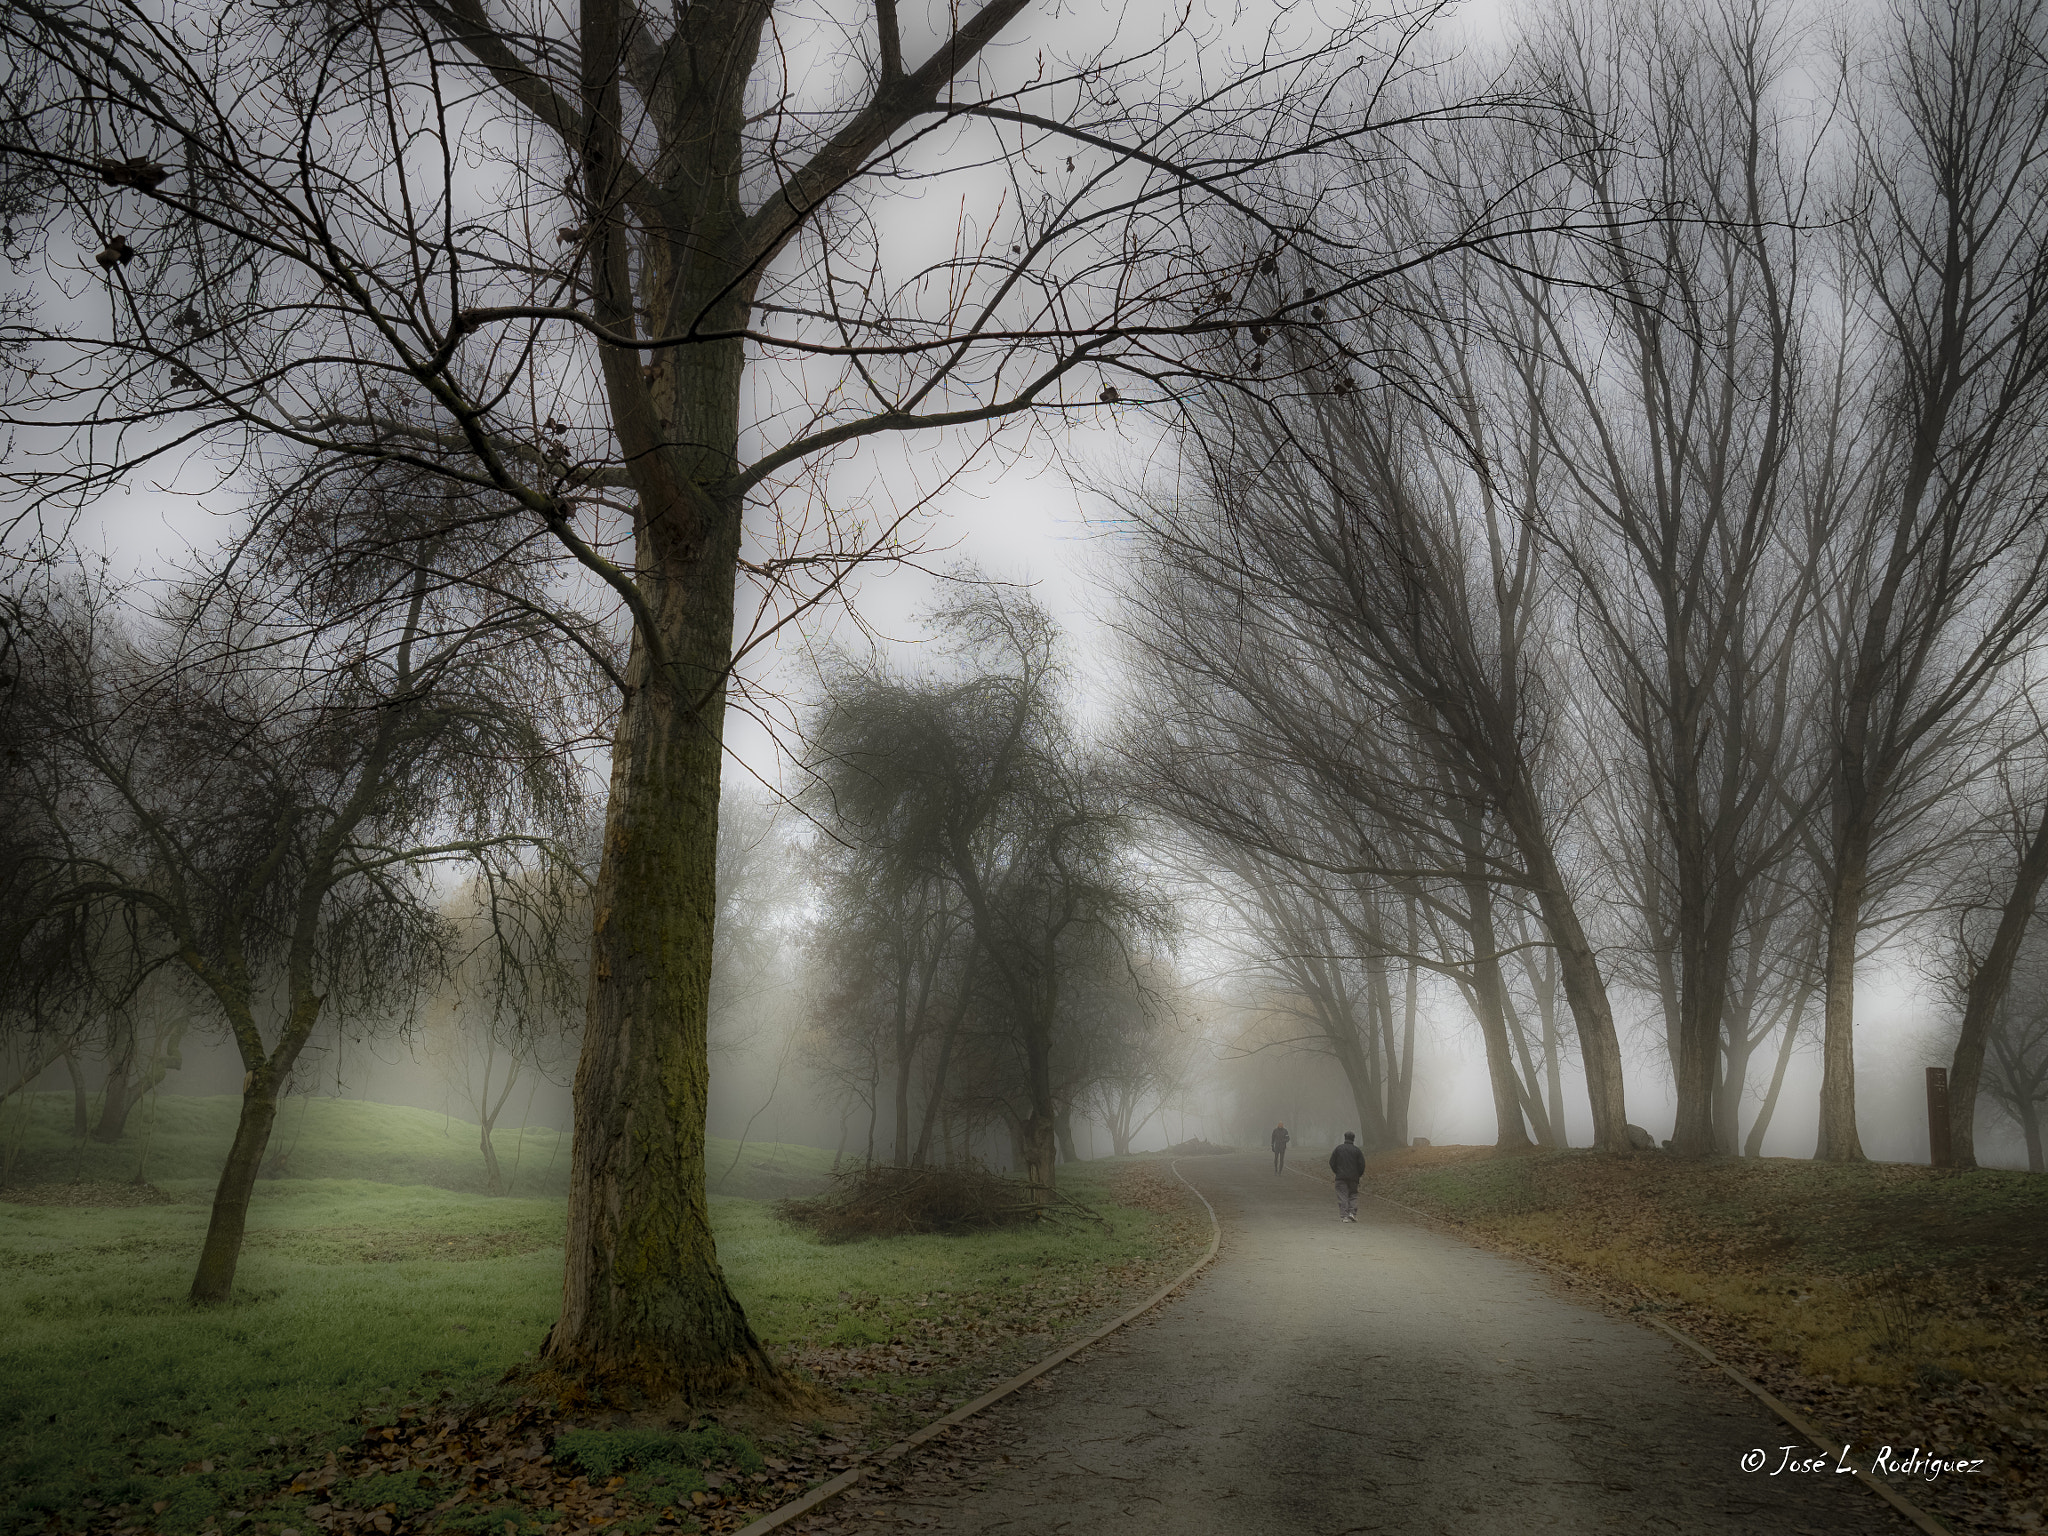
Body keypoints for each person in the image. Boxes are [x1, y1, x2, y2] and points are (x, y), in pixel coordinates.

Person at [1329, 1131, 1366, 1222]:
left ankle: (1344, 1216)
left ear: (1345, 1138)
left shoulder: (1338, 1149)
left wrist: (1337, 1172)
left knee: (1343, 1196)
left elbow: (1332, 1162)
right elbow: (1362, 1165)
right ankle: (1352, 1213)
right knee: (1353, 1195)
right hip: (1353, 1178)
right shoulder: (1357, 1151)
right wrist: (1358, 1175)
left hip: (1341, 1177)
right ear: (1353, 1139)